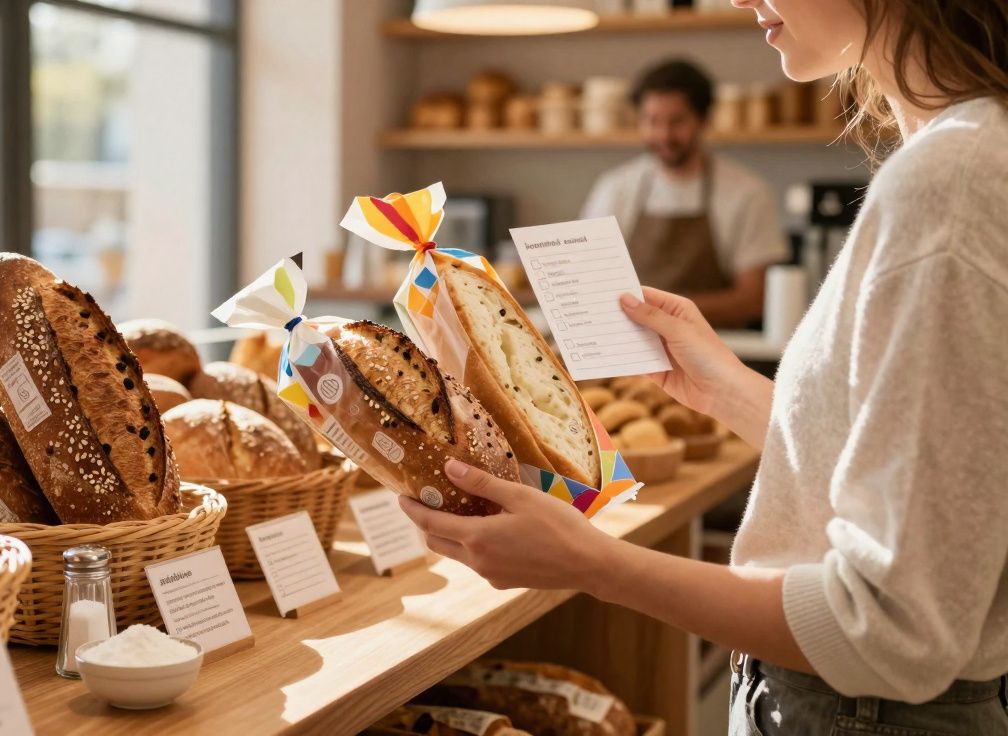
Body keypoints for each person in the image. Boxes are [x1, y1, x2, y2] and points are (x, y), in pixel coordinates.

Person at [400, 1, 1008, 733]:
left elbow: (892, 632)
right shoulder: (960, 158)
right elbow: (905, 474)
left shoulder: (951, 182)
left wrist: (593, 564)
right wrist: (729, 390)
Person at [580, 59, 787, 327]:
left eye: (677, 121)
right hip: (633, 349)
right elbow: (589, 279)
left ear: (702, 120)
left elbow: (752, 298)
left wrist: (657, 312)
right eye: (652, 121)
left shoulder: (746, 193)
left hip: (719, 351)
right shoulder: (615, 188)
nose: (664, 135)